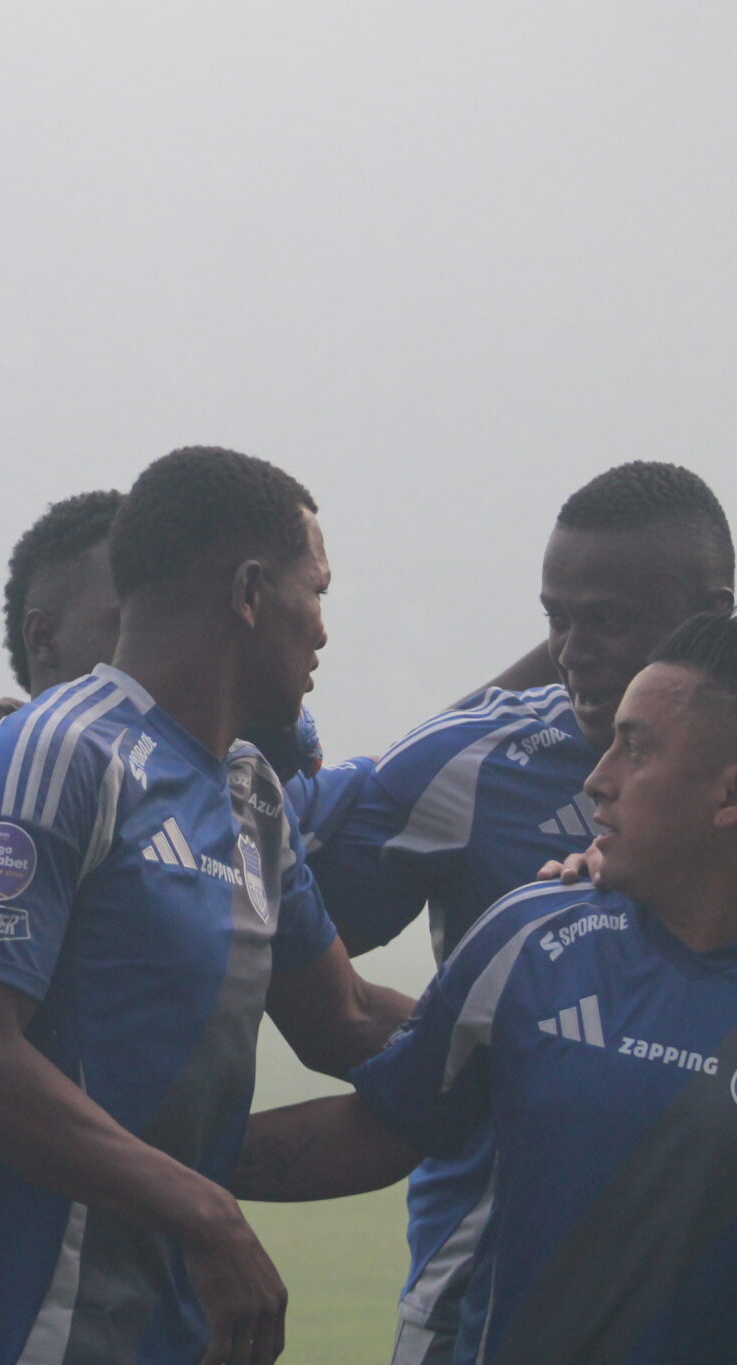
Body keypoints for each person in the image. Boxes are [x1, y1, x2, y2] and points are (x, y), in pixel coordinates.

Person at [0, 447, 413, 1365]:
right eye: (317, 592)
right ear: (250, 593)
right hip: (31, 1340)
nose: (323, 631)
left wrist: (521, 1029)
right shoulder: (60, 754)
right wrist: (205, 1212)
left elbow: (341, 1018)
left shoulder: (252, 794)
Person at [300, 461, 734, 1363]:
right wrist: (473, 1030)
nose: (573, 652)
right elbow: (263, 917)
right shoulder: (473, 758)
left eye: (607, 620)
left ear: (712, 609)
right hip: (480, 1291)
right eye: (555, 619)